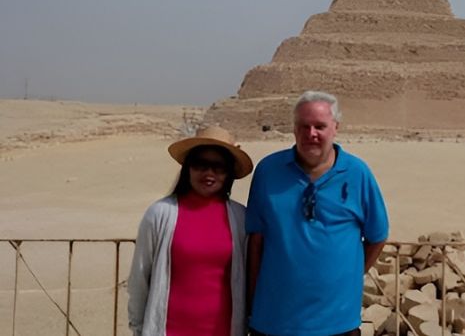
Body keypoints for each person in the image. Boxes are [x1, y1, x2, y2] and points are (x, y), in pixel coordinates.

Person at [246, 91, 389, 336]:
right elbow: (256, 243)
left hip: (337, 323)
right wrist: (250, 305)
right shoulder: (268, 171)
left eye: (320, 126)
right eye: (304, 126)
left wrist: (347, 277)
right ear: (294, 129)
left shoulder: (357, 174)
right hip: (274, 321)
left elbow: (377, 236)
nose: (311, 134)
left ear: (336, 128)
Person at [128, 126, 254, 336]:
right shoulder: (160, 214)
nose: (209, 173)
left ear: (228, 172)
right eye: (200, 165)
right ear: (188, 168)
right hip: (169, 330)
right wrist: (138, 327)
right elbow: (140, 277)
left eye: (218, 167)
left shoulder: (241, 218)